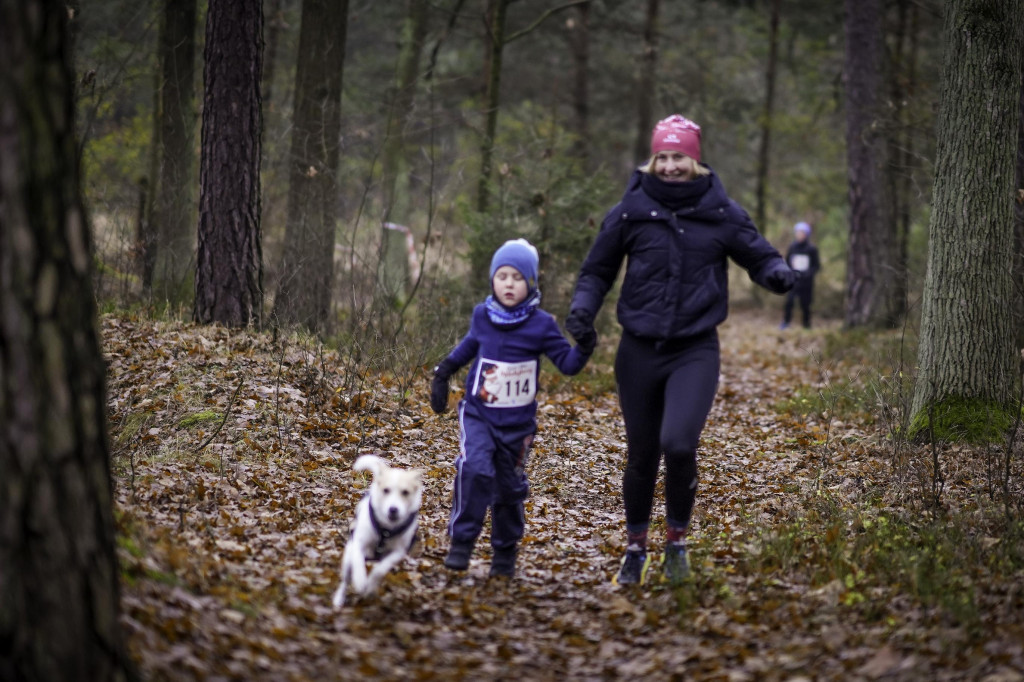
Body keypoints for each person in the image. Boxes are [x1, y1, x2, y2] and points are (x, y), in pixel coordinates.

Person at [564, 114, 796, 586]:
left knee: (679, 444)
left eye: (679, 157)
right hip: (638, 350)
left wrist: (776, 273)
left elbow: (759, 253)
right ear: (653, 160)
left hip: (695, 349)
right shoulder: (630, 211)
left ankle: (676, 543)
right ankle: (634, 547)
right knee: (642, 455)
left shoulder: (721, 212)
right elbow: (596, 271)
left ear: (696, 161)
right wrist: (583, 311)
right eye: (663, 157)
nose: (670, 166)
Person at [430, 238, 595, 578]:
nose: (509, 283)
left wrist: (586, 345)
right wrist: (443, 374)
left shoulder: (542, 325)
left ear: (531, 283)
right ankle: (462, 543)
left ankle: (504, 554)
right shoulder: (482, 316)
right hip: (479, 413)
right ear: (493, 279)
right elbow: (468, 347)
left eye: (517, 277)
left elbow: (567, 364)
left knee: (508, 488)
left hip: (517, 426)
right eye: (502, 275)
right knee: (475, 469)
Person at [780, 221, 820, 329]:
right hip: (794, 280)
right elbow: (787, 262)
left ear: (806, 234)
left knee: (805, 304)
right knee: (789, 302)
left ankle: (806, 325)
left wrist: (808, 274)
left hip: (807, 282)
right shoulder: (792, 247)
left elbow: (816, 266)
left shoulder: (812, 249)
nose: (799, 235)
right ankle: (786, 322)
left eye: (801, 232)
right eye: (797, 232)